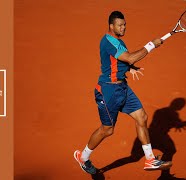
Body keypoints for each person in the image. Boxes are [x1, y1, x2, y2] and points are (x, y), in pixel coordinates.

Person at [74, 10, 172, 175]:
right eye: (120, 25)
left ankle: (150, 159)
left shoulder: (120, 42)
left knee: (142, 117)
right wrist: (151, 44)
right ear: (111, 26)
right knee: (108, 130)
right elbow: (130, 57)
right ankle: (83, 157)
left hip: (123, 88)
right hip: (108, 91)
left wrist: (130, 68)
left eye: (124, 24)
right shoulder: (108, 42)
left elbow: (124, 60)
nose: (123, 27)